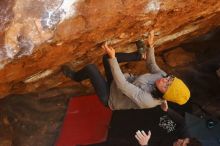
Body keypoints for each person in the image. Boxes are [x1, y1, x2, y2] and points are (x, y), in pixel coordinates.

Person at [62, 30, 190, 111]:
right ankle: (139, 55)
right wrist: (150, 45)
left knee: (91, 68)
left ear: (164, 95)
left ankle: (74, 76)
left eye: (166, 85)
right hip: (119, 82)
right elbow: (151, 64)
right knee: (107, 58)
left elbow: (123, 85)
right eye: (169, 79)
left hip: (111, 97)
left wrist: (114, 58)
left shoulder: (148, 100)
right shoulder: (162, 76)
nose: (164, 79)